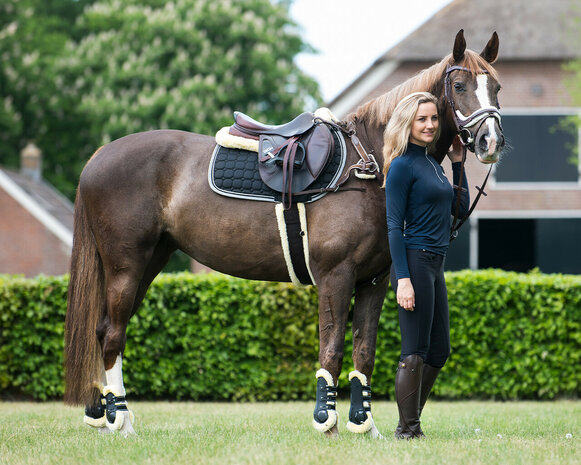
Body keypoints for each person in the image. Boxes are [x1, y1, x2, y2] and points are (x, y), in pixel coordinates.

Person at [383, 92, 469, 439]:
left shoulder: (434, 164)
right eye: (422, 119)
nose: (430, 125)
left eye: (434, 118)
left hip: (435, 263)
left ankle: (409, 420)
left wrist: (458, 162)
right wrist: (402, 279)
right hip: (415, 263)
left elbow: (459, 210)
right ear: (409, 122)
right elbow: (393, 225)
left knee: (439, 350)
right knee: (414, 351)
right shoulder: (402, 165)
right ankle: (408, 431)